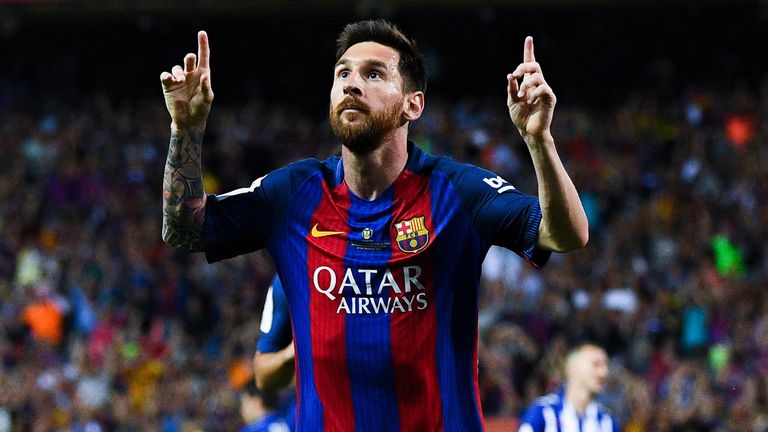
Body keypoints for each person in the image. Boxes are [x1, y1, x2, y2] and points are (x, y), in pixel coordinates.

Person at [160, 19, 588, 431]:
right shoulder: (293, 194)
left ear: (412, 104)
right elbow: (184, 229)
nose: (352, 83)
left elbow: (565, 235)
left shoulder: (457, 190)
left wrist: (540, 141)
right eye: (343, 73)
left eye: (374, 74)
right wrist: (186, 129)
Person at [518, 344, 619, 432]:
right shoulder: (543, 411)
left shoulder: (607, 421)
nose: (604, 373)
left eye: (606, 366)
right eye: (596, 365)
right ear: (573, 369)